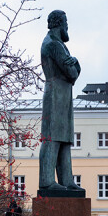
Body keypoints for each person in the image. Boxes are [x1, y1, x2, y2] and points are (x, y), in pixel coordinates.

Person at [39, 10, 82, 193]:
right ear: (58, 23)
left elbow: (71, 73)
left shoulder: (58, 44)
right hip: (56, 92)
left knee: (64, 139)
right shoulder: (54, 44)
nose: (67, 26)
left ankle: (66, 180)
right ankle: (47, 181)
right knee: (53, 137)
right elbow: (71, 72)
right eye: (66, 22)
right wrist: (76, 63)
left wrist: (74, 64)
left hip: (63, 93)